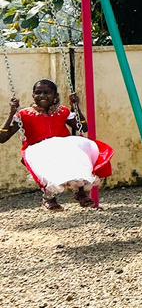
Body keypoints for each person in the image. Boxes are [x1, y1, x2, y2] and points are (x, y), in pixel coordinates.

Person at [1, 80, 105, 211]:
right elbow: (2, 138)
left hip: (63, 149)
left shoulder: (62, 111)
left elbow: (82, 127)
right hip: (37, 151)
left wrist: (75, 106)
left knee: (78, 153)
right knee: (48, 158)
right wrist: (12, 113)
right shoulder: (24, 114)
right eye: (38, 93)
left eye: (47, 93)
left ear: (55, 96)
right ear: (33, 95)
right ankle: (49, 197)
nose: (42, 96)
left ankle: (81, 192)